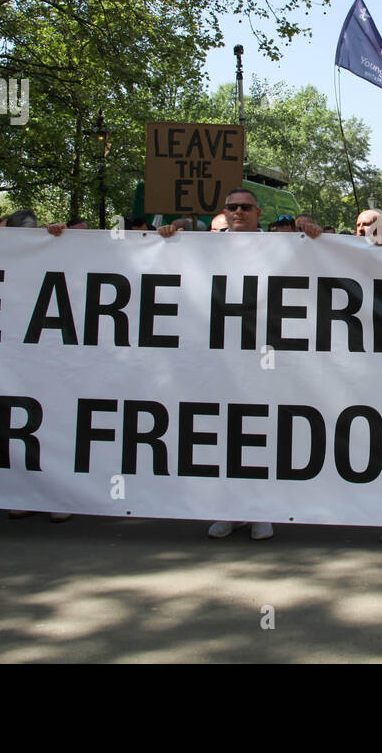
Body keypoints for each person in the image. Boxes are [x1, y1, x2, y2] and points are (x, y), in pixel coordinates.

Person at [161, 187, 320, 540]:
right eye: (232, 207)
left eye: (245, 207)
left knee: (262, 432)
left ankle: (261, 511)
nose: (238, 212)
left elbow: (319, 262)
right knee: (224, 434)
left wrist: (313, 233)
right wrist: (168, 236)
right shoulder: (206, 246)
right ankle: (228, 510)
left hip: (267, 355)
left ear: (258, 213)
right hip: (221, 357)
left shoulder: (282, 244)